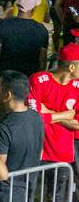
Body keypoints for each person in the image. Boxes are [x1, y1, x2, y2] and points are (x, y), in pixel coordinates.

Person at [27, 43, 79, 202]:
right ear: (71, 67)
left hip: (62, 152)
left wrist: (49, 113)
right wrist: (66, 115)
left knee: (56, 197)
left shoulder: (77, 86)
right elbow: (33, 117)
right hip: (37, 149)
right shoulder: (38, 80)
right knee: (29, 193)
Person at [0, 70, 44, 202]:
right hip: (29, 187)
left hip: (5, 192)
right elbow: (40, 153)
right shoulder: (36, 117)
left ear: (7, 95)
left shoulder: (4, 127)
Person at [0, 0, 49, 79]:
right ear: (34, 9)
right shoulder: (42, 30)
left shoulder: (3, 25)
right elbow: (42, 60)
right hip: (29, 78)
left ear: (17, 6)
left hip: (6, 76)